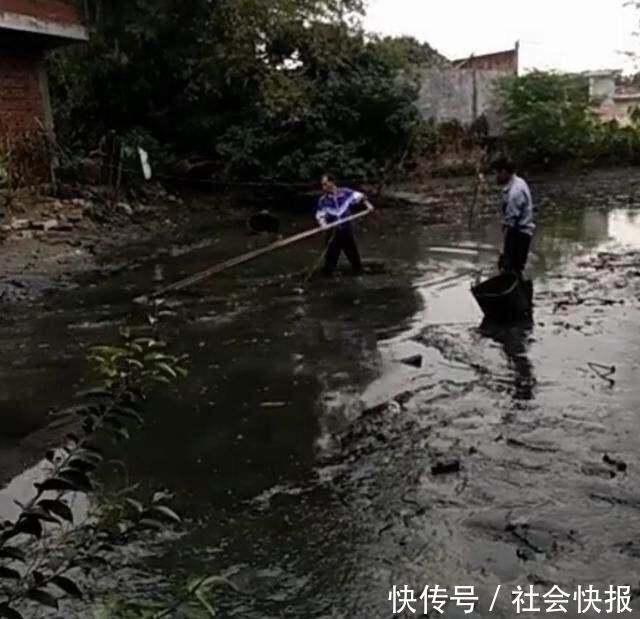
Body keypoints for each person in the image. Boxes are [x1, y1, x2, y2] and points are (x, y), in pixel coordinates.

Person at [315, 174, 373, 276]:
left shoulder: (345, 192)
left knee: (354, 257)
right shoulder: (323, 200)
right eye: (322, 185)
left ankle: (359, 274)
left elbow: (360, 196)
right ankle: (327, 279)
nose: (323, 187)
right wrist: (323, 225)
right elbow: (320, 215)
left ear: (331, 183)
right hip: (333, 232)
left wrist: (368, 205)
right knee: (330, 261)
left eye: (325, 184)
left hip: (346, 231)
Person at [492, 156, 535, 277]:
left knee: (510, 269)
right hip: (522, 232)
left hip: (519, 234)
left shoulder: (514, 193)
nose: (496, 177)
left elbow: (511, 223)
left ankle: (515, 293)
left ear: (504, 172)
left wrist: (504, 250)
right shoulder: (519, 182)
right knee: (515, 269)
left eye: (497, 174)